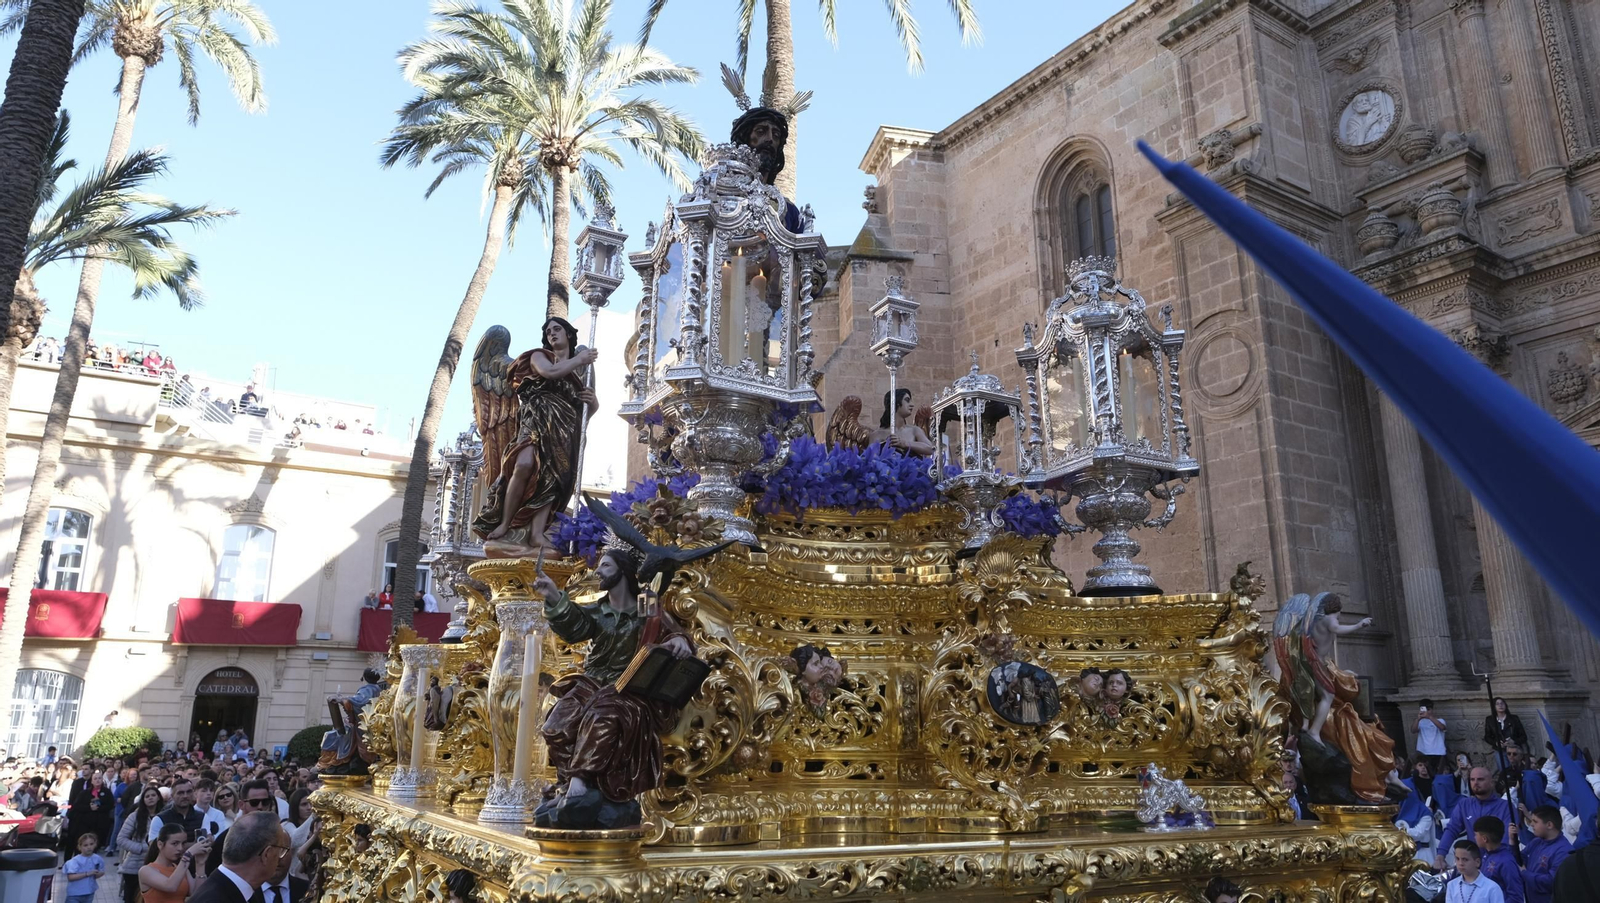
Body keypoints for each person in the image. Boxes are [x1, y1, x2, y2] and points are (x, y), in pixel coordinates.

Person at [533, 547, 693, 827]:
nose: (598, 572)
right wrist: (553, 596)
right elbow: (576, 626)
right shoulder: (598, 609)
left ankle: (580, 782)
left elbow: (670, 630)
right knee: (555, 725)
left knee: (601, 716)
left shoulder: (645, 607)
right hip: (591, 682)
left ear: (623, 571)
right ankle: (567, 783)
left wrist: (680, 640)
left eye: (605, 566)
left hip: (629, 688)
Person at [471, 317, 599, 556]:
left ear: (569, 334)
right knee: (524, 464)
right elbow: (550, 373)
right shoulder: (539, 356)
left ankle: (538, 534)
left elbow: (585, 411)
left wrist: (593, 403)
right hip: (535, 421)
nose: (552, 334)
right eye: (548, 331)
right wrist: (579, 359)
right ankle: (505, 523)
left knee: (553, 479)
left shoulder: (582, 370)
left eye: (557, 329)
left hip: (563, 429)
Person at [189, 812, 281, 903]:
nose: (280, 859)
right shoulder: (215, 898)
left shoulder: (240, 891)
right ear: (266, 855)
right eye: (281, 851)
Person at [1437, 767, 1515, 869]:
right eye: (1472, 779)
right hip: (1472, 864)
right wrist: (1440, 855)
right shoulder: (1464, 804)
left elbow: (1507, 839)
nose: (1475, 783)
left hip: (1497, 865)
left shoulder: (1506, 807)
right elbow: (1452, 829)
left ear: (1491, 782)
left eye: (1480, 779)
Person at [204, 780, 274, 875]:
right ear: (241, 805)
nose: (260, 807)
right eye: (254, 802)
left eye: (265, 802)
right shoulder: (226, 839)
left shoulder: (276, 833)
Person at [140, 823, 209, 903]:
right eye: (175, 843)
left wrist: (200, 864)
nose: (180, 848)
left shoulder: (181, 869)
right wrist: (188, 854)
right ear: (160, 844)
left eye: (183, 843)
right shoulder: (146, 870)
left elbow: (197, 894)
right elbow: (170, 886)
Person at [118, 786, 164, 903]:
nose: (150, 798)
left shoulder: (165, 815)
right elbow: (121, 838)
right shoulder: (135, 816)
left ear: (158, 797)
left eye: (153, 795)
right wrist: (141, 848)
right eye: (147, 796)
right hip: (135, 865)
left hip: (158, 865)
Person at [1521, 805, 1571, 903]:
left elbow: (1551, 881)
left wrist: (1524, 873)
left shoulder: (1564, 851)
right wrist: (1512, 843)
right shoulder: (1537, 841)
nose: (1531, 824)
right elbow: (1521, 858)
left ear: (1549, 825)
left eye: (1535, 821)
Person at [1476, 815, 1526, 903]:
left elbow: (1516, 897)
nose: (1474, 838)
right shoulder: (1486, 855)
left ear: (1484, 839)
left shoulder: (1506, 862)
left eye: (1476, 835)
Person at [870, 388, 935, 455]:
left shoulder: (915, 430)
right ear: (897, 403)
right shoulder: (877, 434)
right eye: (907, 400)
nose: (912, 404)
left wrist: (904, 443)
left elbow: (931, 449)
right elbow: (871, 460)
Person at [1485, 698, 1529, 770]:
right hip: (1500, 750)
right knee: (1504, 771)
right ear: (1494, 706)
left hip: (1514, 750)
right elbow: (1487, 737)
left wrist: (1514, 741)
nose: (1500, 705)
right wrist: (1496, 743)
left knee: (1517, 769)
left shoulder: (1514, 719)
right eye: (1497, 704)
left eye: (1502, 703)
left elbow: (1523, 736)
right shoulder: (1490, 720)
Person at [282, 789, 316, 881]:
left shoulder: (318, 826)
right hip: (293, 878)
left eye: (312, 803)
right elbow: (295, 840)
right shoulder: (286, 825)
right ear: (295, 807)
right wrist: (315, 813)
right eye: (304, 804)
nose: (309, 808)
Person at [64, 832, 107, 903]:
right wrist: (87, 874)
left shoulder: (97, 859)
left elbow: (101, 871)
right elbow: (71, 877)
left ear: (95, 844)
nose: (89, 847)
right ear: (80, 847)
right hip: (75, 894)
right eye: (85, 845)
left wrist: (98, 874)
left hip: (89, 892)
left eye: (91, 844)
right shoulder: (75, 861)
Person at [1417, 700, 1448, 775]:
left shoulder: (1440, 720)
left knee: (1438, 772)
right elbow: (1413, 730)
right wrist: (1418, 719)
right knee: (1425, 773)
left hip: (1437, 752)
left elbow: (1442, 727)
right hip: (1423, 752)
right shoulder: (1420, 722)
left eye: (1428, 709)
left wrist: (1430, 717)